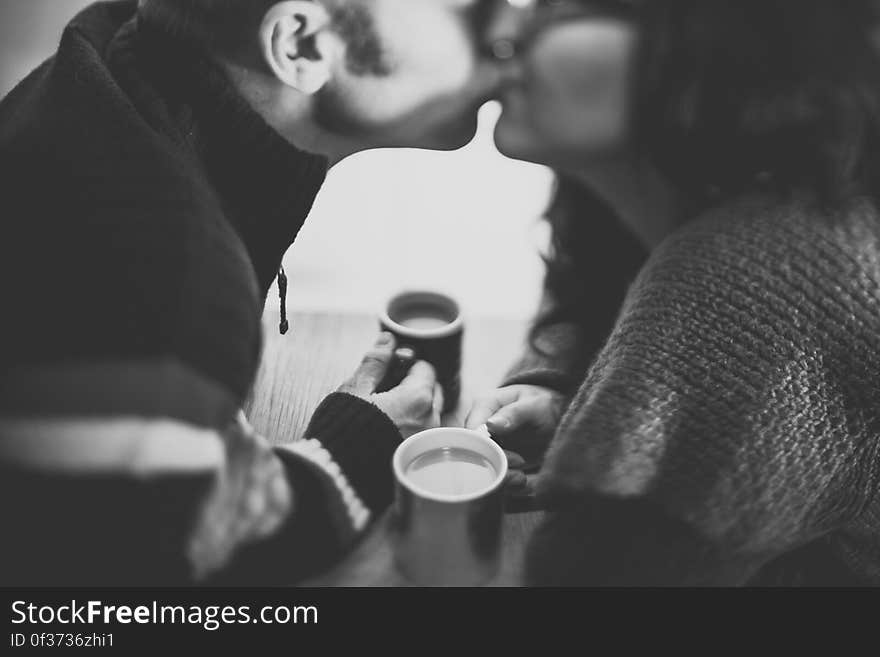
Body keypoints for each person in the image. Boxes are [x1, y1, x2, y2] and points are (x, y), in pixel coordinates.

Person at [0, 0, 499, 585]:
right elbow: (154, 570)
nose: (506, 20)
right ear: (302, 44)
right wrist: (357, 449)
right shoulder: (170, 278)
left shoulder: (109, 54)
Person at [467, 0, 880, 585]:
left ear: (712, 36)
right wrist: (559, 382)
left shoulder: (757, 274)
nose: (505, 26)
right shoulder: (675, 188)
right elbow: (586, 289)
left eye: (561, 7)